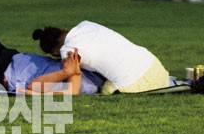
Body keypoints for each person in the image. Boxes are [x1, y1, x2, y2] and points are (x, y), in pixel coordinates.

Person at [0, 8, 104, 95]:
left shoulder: (83, 81)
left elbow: (33, 87)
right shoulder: (90, 67)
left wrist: (66, 72)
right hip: (6, 58)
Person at [32, 21, 169, 95]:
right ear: (63, 29)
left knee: (105, 90)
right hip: (155, 66)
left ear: (54, 52)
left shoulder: (67, 51)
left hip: (134, 84)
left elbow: (74, 83)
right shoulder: (85, 24)